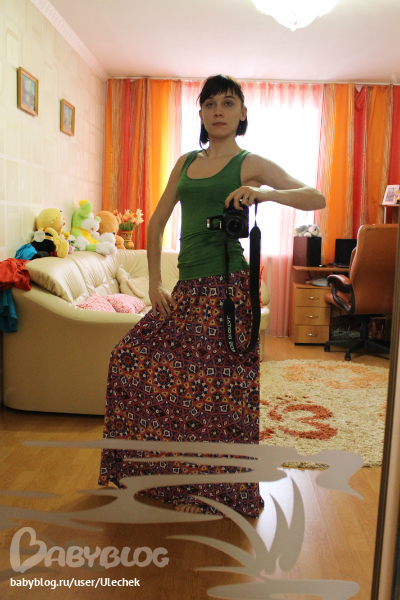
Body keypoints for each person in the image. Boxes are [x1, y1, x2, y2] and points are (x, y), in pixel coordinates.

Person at [98, 74, 326, 517]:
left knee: (220, 394)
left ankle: (218, 493)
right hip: (186, 289)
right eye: (210, 104)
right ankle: (161, 475)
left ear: (242, 113)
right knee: (130, 358)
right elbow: (157, 222)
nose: (219, 111)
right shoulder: (185, 162)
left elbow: (315, 197)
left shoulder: (248, 162)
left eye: (228, 102)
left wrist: (263, 193)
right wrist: (154, 283)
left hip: (227, 289)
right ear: (200, 113)